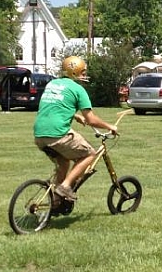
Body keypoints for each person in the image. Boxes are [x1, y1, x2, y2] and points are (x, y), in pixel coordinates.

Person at [33, 56, 118, 202]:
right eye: (83, 72)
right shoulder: (78, 89)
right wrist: (109, 126)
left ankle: (56, 203)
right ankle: (65, 187)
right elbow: (91, 119)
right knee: (89, 154)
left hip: (39, 135)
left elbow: (57, 106)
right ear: (75, 72)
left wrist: (74, 115)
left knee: (64, 163)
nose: (84, 74)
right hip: (57, 134)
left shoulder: (52, 84)